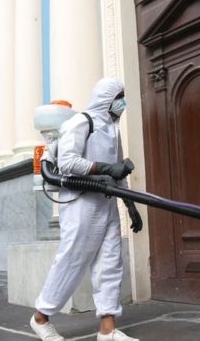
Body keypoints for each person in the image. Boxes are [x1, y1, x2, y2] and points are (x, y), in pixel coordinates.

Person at [30, 78, 142, 341]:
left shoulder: (114, 130)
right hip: (81, 202)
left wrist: (129, 203)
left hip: (107, 202)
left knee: (110, 263)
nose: (122, 103)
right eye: (120, 97)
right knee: (73, 260)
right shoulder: (81, 122)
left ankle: (107, 329)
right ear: (106, 98)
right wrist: (104, 169)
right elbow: (68, 163)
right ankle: (40, 318)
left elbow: (119, 169)